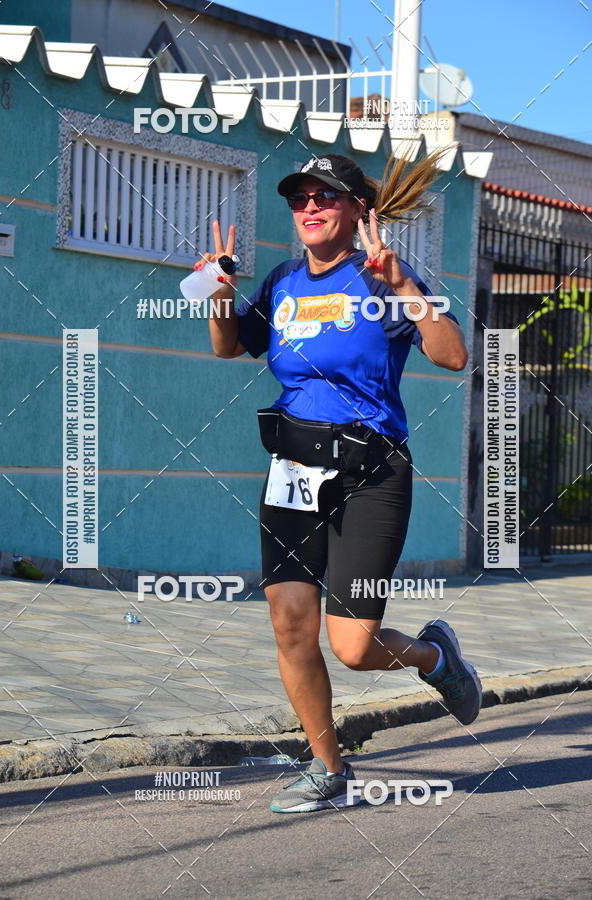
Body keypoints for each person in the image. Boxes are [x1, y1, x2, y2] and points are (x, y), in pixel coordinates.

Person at [200, 151, 482, 814]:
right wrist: (219, 295)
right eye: (300, 199)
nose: (310, 208)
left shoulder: (383, 277)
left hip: (371, 471)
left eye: (326, 197)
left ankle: (434, 658)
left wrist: (406, 289)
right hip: (295, 468)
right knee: (290, 625)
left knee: (353, 647)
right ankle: (327, 768)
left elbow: (454, 355)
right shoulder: (281, 283)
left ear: (360, 210)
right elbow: (226, 345)